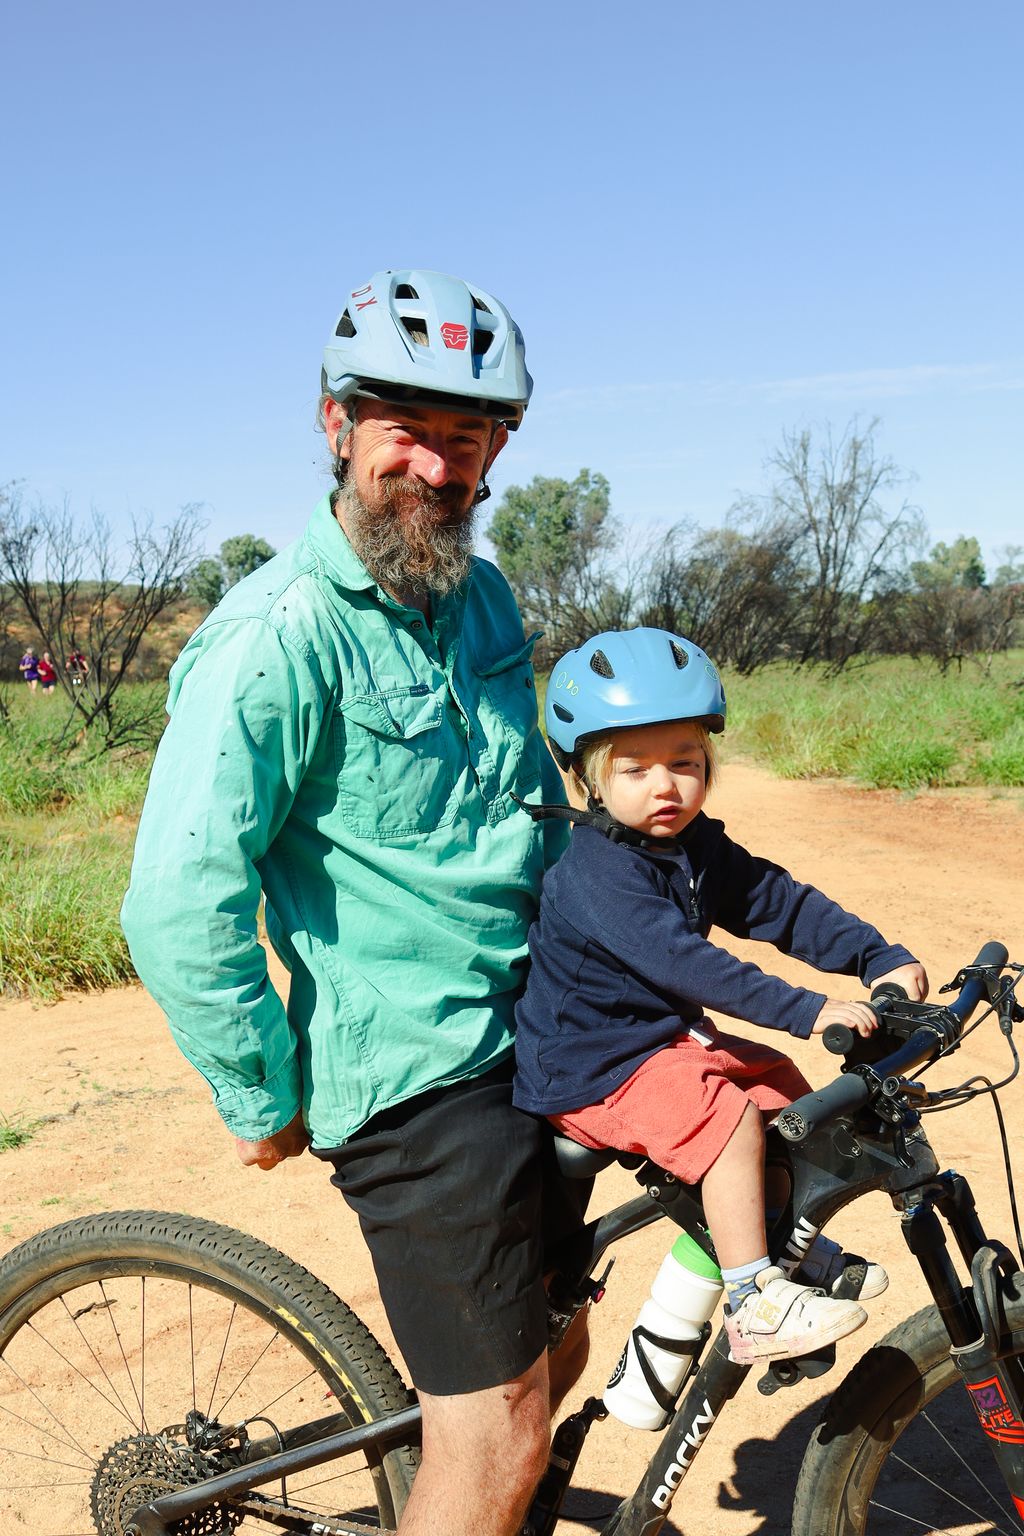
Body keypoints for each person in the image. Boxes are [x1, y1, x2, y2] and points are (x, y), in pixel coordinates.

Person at [121, 270, 588, 1536]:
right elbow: (177, 899)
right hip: (415, 1074)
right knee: (497, 1433)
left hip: (533, 1029)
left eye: (466, 439)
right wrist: (258, 1091)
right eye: (407, 431)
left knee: (564, 1342)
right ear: (337, 425)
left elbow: (529, 808)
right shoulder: (274, 637)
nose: (435, 467)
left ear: (498, 452)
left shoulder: (485, 597)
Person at [513, 627, 928, 1364]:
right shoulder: (597, 874)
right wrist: (808, 1009)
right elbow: (691, 967)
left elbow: (779, 903)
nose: (665, 786)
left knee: (782, 1092)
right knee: (728, 1118)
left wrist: (877, 957)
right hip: (591, 1066)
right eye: (635, 768)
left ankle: (782, 1247)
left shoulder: (694, 844)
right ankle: (753, 1300)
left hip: (657, 1044)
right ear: (589, 780)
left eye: (685, 762)